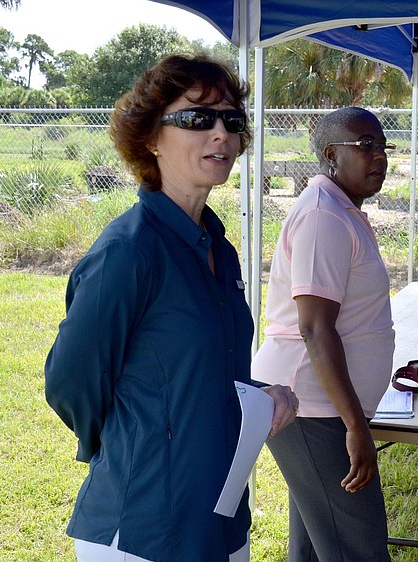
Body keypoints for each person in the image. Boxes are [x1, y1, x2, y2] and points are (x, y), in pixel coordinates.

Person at [44, 54, 299, 562]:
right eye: (196, 118)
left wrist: (260, 397)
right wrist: (141, 441)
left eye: (232, 119)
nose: (221, 133)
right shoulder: (128, 252)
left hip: (220, 518)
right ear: (151, 138)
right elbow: (69, 384)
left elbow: (199, 366)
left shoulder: (219, 250)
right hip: (145, 527)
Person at [250, 106, 395, 561]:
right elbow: (315, 329)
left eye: (383, 146)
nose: (379, 156)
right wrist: (355, 425)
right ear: (331, 154)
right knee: (359, 547)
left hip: (317, 404)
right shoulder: (324, 217)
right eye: (365, 145)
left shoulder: (340, 210)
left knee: (314, 546)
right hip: (312, 407)